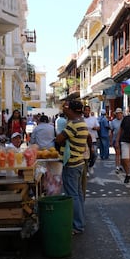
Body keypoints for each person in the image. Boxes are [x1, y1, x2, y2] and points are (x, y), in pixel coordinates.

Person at [55, 100, 89, 235]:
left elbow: (59, 139)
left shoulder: (73, 125)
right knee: (78, 194)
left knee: (72, 195)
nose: (64, 110)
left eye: (67, 108)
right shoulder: (82, 123)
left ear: (72, 111)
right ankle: (80, 221)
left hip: (72, 164)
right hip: (79, 163)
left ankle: (77, 225)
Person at [83, 105, 100, 174]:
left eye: (88, 110)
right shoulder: (81, 119)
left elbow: (98, 127)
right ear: (83, 111)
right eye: (85, 110)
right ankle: (86, 169)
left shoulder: (94, 119)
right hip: (84, 140)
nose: (87, 111)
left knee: (94, 154)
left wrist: (95, 128)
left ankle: (91, 166)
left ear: (89, 111)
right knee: (85, 156)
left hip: (93, 140)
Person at [109, 107, 123, 173]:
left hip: (123, 139)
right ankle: (117, 166)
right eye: (117, 114)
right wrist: (111, 141)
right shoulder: (113, 122)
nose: (118, 115)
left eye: (119, 113)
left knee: (123, 154)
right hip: (115, 139)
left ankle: (121, 165)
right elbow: (111, 132)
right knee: (117, 153)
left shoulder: (124, 120)